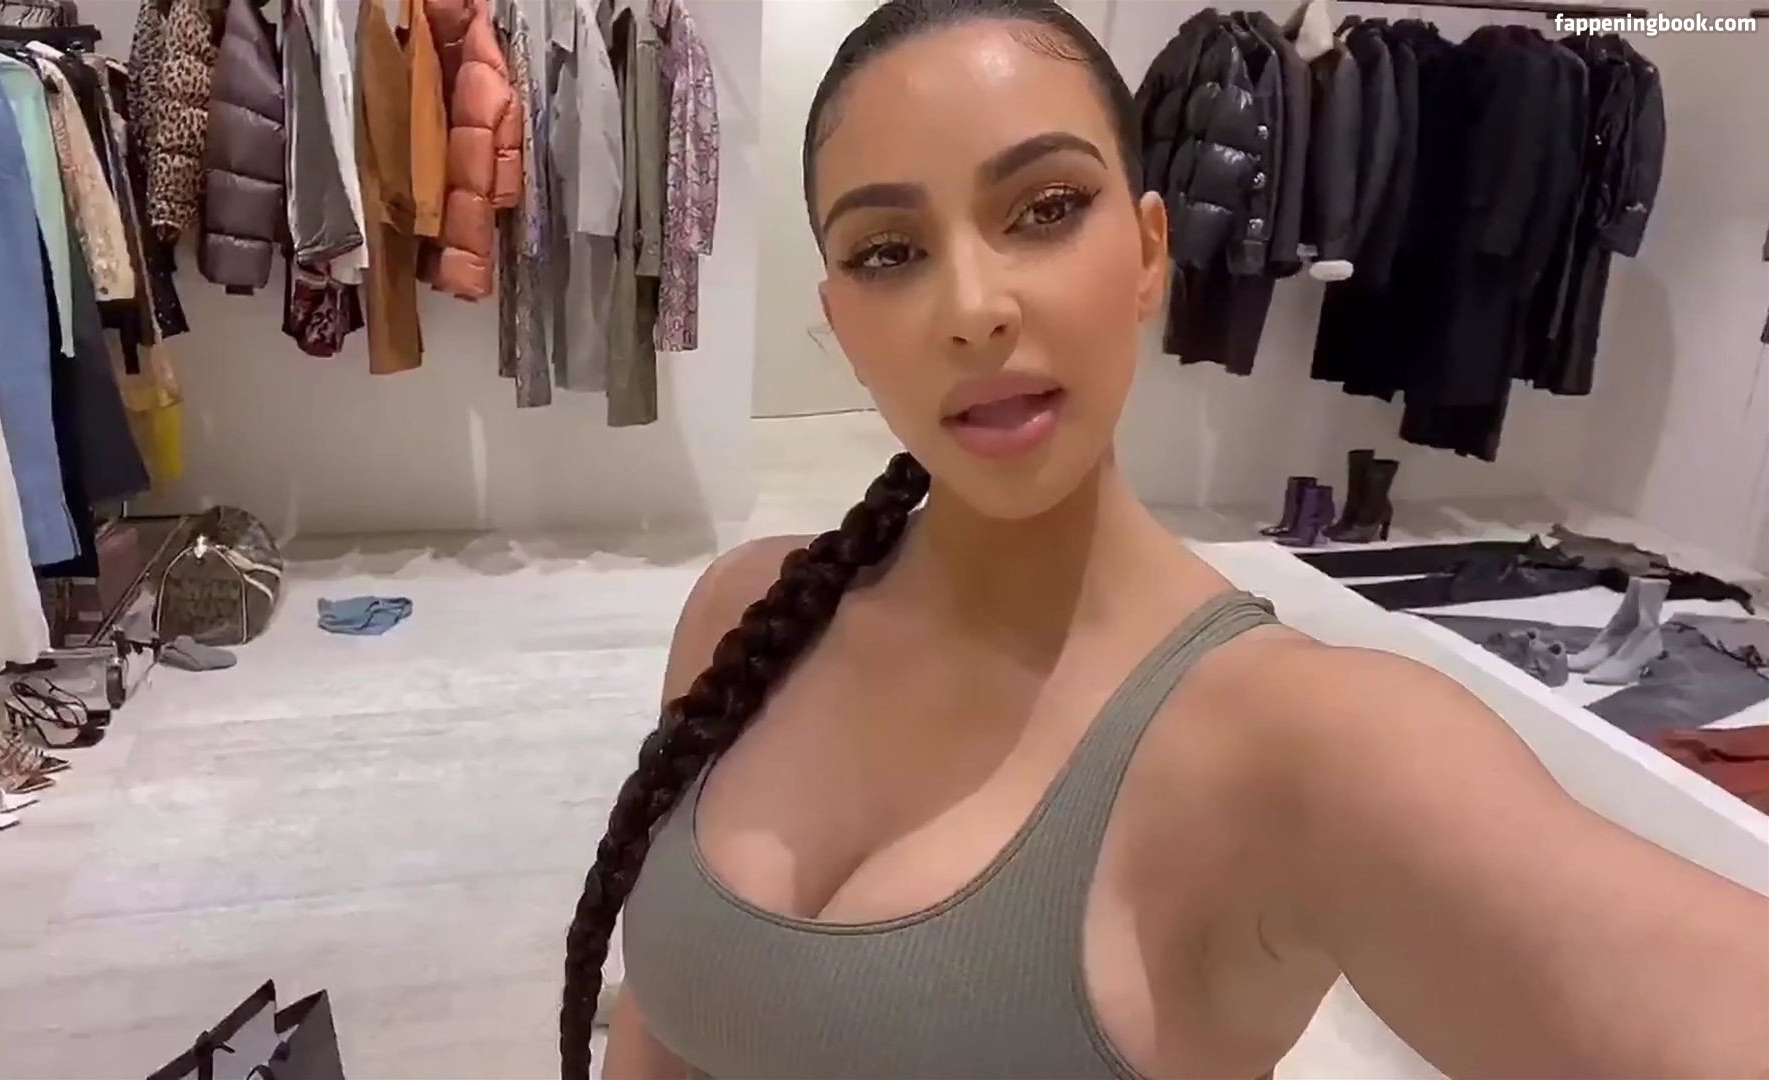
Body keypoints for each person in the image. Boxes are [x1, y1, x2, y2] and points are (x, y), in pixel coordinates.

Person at [561, 2, 1769, 1076]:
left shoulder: (1309, 748)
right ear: (840, 320)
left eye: (1045, 209)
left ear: (1148, 252)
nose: (973, 308)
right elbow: (661, 1028)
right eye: (890, 252)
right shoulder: (745, 615)